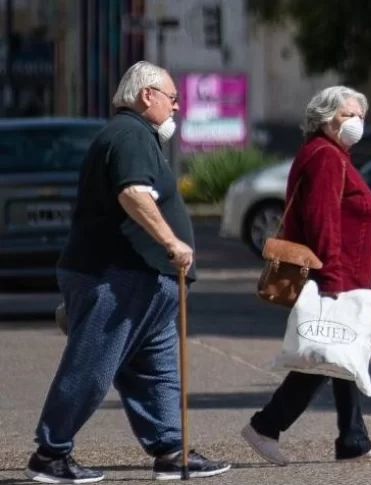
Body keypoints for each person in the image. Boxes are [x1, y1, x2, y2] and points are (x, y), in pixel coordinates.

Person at [24, 61, 231, 483]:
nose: (177, 107)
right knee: (92, 364)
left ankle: (170, 449)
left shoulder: (139, 136)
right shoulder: (129, 134)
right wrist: (170, 242)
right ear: (147, 95)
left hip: (146, 280)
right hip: (115, 276)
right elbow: (132, 193)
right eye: (172, 98)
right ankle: (51, 454)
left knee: (156, 370)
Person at [241, 86, 371, 465]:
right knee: (324, 357)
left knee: (343, 354)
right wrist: (333, 280)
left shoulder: (330, 154)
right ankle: (266, 425)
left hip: (345, 274)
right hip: (336, 274)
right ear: (326, 118)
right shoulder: (326, 157)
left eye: (360, 115)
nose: (356, 122)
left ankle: (353, 439)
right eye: (347, 115)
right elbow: (322, 220)